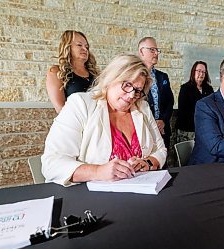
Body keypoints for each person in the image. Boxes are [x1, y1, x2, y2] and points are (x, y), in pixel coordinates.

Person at [42, 54, 167, 186]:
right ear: (111, 78)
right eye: (127, 85)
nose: (131, 95)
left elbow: (160, 150)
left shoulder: (142, 108)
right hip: (90, 198)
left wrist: (147, 162)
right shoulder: (81, 104)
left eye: (137, 90)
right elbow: (52, 163)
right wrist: (98, 171)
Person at [46, 30, 99, 113]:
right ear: (67, 47)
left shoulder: (95, 74)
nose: (85, 49)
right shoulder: (56, 72)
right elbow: (60, 108)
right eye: (79, 45)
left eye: (87, 46)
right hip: (74, 123)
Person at [138, 37, 174, 149]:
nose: (156, 53)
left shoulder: (162, 76)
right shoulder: (134, 75)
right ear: (141, 51)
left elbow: (170, 101)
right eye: (152, 50)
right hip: (143, 130)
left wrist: (163, 120)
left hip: (162, 130)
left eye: (157, 50)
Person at [176, 61, 214, 143]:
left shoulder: (209, 89)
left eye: (204, 72)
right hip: (188, 130)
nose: (201, 74)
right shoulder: (185, 89)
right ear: (194, 72)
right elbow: (183, 111)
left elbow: (212, 108)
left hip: (205, 130)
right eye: (199, 71)